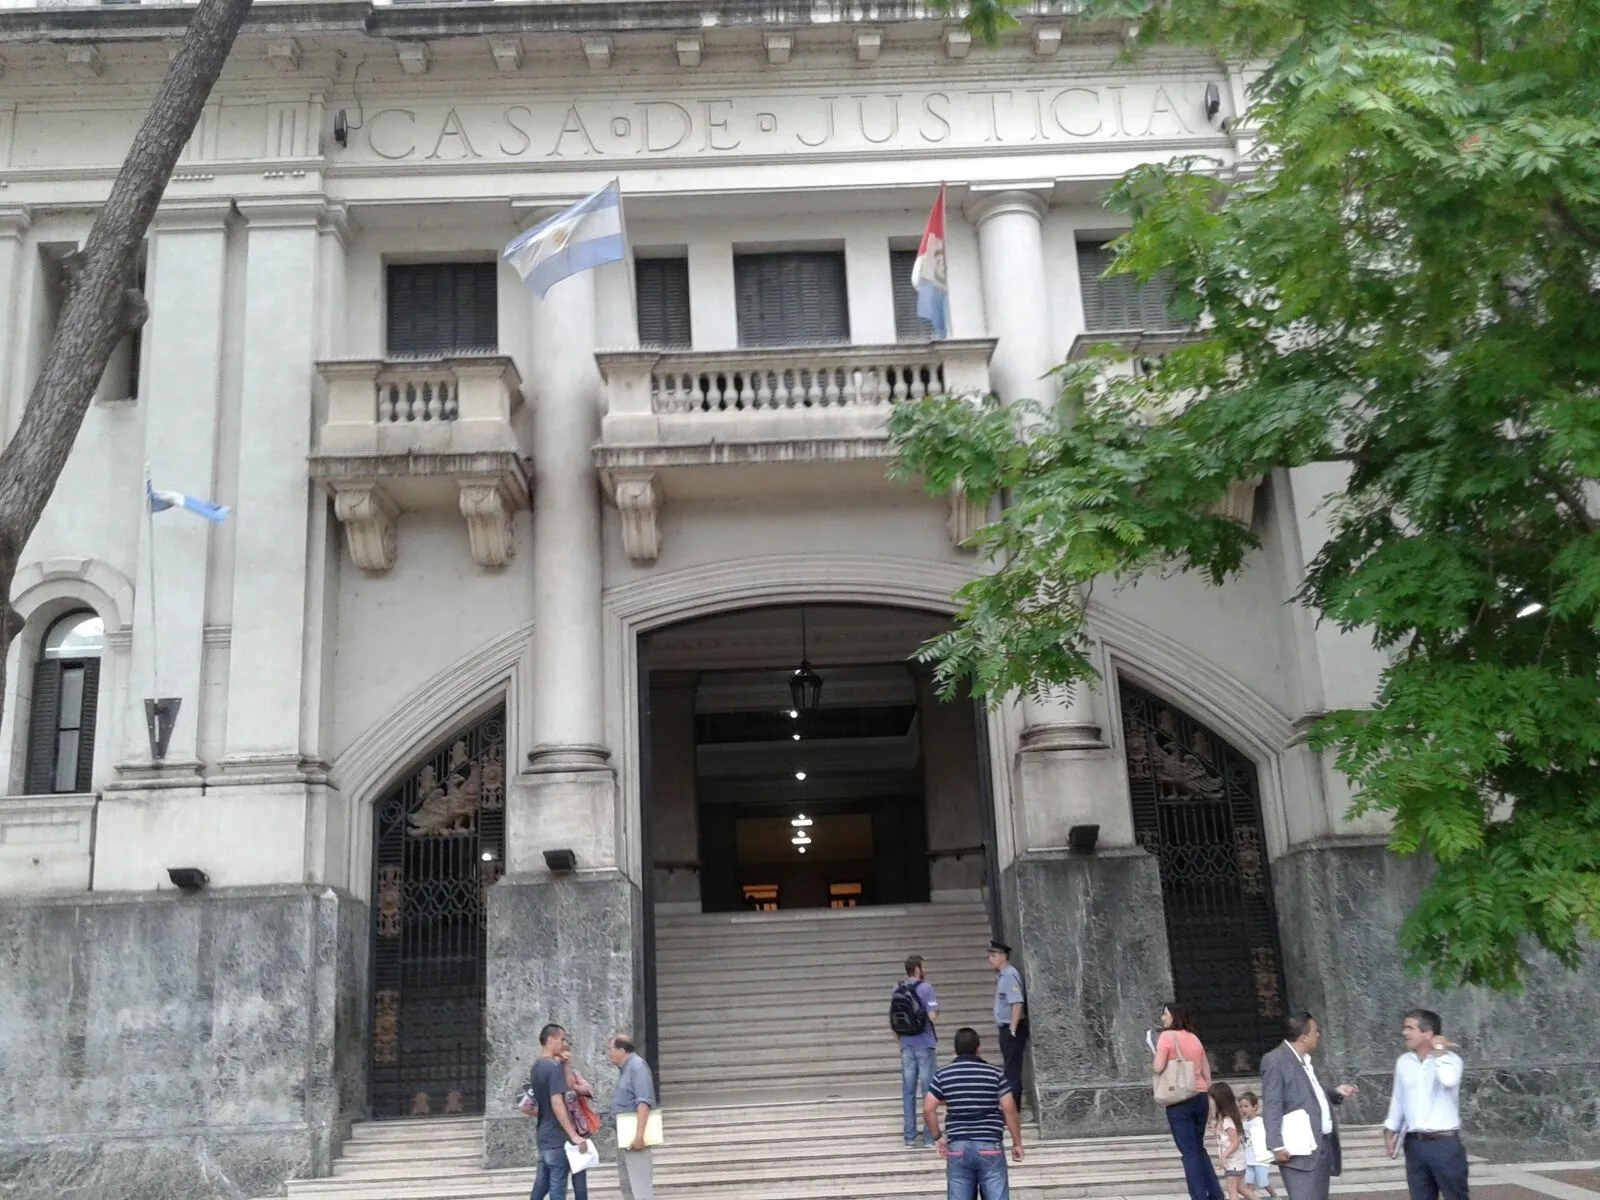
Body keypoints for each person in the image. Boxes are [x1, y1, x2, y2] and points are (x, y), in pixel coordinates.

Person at [1261, 1012, 1359, 1200]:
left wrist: (1335, 1092)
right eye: (1315, 1031)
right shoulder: (1275, 1060)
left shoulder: (1304, 1059)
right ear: (1304, 1036)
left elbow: (1309, 1092)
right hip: (1298, 1151)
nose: (1318, 1035)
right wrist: (1276, 1145)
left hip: (1320, 1146)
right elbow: (1272, 1103)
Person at [923, 1026, 1024, 1200]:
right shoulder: (995, 1074)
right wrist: (1017, 1143)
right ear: (978, 1049)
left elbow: (928, 1108)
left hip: (958, 1147)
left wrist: (937, 1137)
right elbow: (1010, 1110)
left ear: (956, 1050)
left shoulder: (943, 1075)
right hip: (989, 1145)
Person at [1382, 1009, 1468, 1200]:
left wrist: (1439, 1052)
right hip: (1414, 1144)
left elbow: (1449, 1080)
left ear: (1428, 1033)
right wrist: (1390, 1129)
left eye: (1410, 1028)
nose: (1404, 1032)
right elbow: (1398, 1098)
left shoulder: (1452, 1060)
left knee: (1455, 1196)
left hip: (1444, 1144)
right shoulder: (1404, 1062)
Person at [1153, 1002, 1222, 1200]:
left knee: (1189, 1152)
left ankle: (1199, 1196)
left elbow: (1158, 1067)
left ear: (1174, 1016)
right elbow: (1206, 1071)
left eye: (1165, 1014)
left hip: (1179, 1099)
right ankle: (1215, 1194)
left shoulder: (1166, 1036)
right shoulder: (1194, 1038)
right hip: (1199, 1096)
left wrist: (1156, 1053)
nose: (1162, 1018)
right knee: (1199, 1149)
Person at [528, 1023, 586, 1200]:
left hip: (544, 1134)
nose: (565, 1044)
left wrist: (565, 1064)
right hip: (556, 1135)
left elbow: (566, 1087)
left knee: (541, 1184)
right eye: (562, 1039)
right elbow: (557, 1103)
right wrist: (573, 1134)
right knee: (557, 1187)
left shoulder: (537, 1066)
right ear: (550, 1040)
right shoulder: (552, 1067)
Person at [892, 953, 940, 1148]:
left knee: (908, 1091)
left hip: (906, 1045)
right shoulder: (926, 988)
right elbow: (932, 1016)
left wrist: (900, 1040)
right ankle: (929, 1137)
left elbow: (893, 1018)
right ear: (918, 969)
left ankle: (909, 1137)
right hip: (924, 1043)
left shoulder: (897, 988)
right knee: (929, 1091)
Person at [607, 1033, 658, 1200]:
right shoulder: (625, 1069)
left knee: (640, 1186)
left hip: (634, 1136)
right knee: (627, 1185)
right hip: (624, 1135)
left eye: (611, 1050)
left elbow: (643, 1102)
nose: (609, 1054)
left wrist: (639, 1135)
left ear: (622, 1050)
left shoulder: (637, 1067)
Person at [986, 940, 1027, 1108]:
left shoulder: (1009, 975)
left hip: (1011, 1028)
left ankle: (1013, 1107)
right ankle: (1011, 1106)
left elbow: (1016, 1003)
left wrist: (1012, 1029)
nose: (990, 959)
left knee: (1012, 1070)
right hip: (1005, 1027)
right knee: (1010, 1068)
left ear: (1003, 956)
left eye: (993, 955)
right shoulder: (1002, 975)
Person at [557, 1044, 600, 1200]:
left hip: (577, 1130)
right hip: (557, 1132)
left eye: (567, 1052)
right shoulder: (550, 1075)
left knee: (579, 1178)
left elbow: (588, 1090)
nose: (565, 1056)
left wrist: (574, 1085)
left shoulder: (573, 1074)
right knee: (557, 1178)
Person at [1210, 1081, 1249, 1200]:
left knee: (1232, 1189)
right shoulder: (1226, 1118)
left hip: (1233, 1161)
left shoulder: (1227, 1120)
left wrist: (1224, 1156)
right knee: (1240, 1188)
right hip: (1235, 1160)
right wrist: (1216, 1131)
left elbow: (1235, 1141)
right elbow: (1227, 1138)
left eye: (1211, 1098)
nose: (1210, 1102)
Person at [1240, 1091, 1276, 1200]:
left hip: (1260, 1158)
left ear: (1255, 1107)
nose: (1243, 1109)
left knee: (1262, 1181)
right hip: (1248, 1158)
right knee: (1249, 1181)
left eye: (1246, 1106)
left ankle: (1274, 1196)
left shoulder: (1260, 1121)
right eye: (1241, 1107)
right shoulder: (1243, 1124)